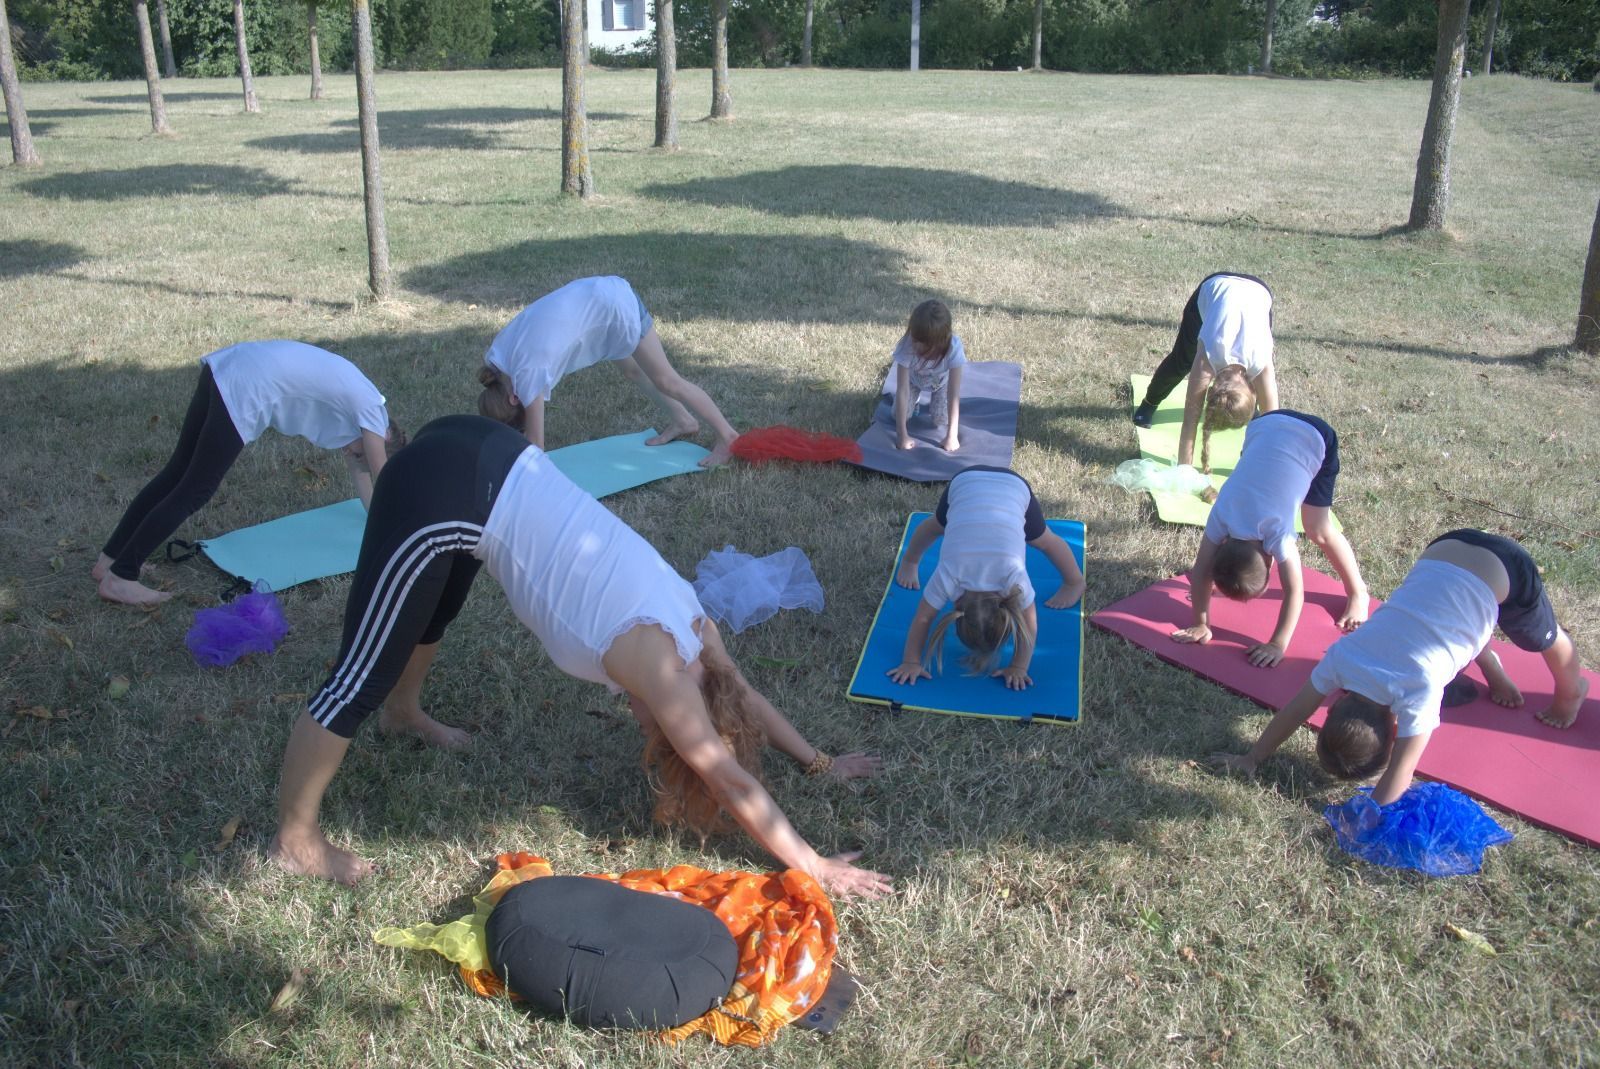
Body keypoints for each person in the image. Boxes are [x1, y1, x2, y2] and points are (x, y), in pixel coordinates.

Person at [268, 415, 890, 898]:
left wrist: (818, 762)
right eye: (661, 734)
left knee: (436, 606)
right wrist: (812, 863)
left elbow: (747, 697)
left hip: (490, 454)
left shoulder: (700, 633)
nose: (644, 728)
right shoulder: (667, 673)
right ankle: (295, 839)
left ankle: (402, 713)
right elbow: (727, 777)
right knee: (359, 675)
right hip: (441, 488)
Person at [1211, 531, 1590, 805]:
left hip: (1506, 567)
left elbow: (1401, 772)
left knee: (1537, 637)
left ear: (1394, 728)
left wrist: (1370, 818)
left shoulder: (1418, 691)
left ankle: (1572, 689)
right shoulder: (1345, 657)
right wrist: (1250, 757)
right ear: (1337, 704)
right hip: (1443, 549)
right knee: (1445, 619)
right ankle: (1488, 660)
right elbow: (1296, 710)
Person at [93, 340, 400, 607]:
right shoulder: (373, 413)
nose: (351, 454)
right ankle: (122, 577)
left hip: (230, 367)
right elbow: (384, 478)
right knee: (195, 489)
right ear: (384, 438)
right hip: (249, 387)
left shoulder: (361, 411)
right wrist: (402, 527)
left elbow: (363, 480)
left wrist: (378, 521)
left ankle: (110, 560)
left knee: (177, 474)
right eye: (360, 452)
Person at [1172, 410, 1369, 666]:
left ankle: (1358, 592)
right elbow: (1201, 572)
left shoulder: (1277, 533)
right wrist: (1200, 622)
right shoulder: (1221, 513)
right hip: (1264, 426)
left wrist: (1278, 644)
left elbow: (1295, 591)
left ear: (1270, 560)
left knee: (1318, 529)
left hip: (1314, 437)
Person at [476, 275, 738, 467]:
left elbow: (537, 445)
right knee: (633, 371)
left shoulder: (527, 373)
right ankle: (684, 421)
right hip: (596, 297)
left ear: (513, 398)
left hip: (615, 306)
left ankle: (728, 437)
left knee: (667, 380)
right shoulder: (497, 360)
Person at [886, 466, 1085, 691]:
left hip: (994, 485)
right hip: (970, 484)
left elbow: (1029, 624)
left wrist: (1019, 667)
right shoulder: (954, 575)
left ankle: (1074, 581)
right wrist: (910, 662)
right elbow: (922, 619)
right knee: (937, 526)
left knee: (1043, 540)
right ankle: (909, 561)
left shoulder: (1010, 576)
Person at [1131, 273, 1280, 468]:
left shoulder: (1261, 363)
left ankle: (1250, 430)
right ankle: (1149, 403)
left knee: (1266, 422)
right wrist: (1185, 470)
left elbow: (1274, 428)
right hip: (1215, 287)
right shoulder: (1206, 360)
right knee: (1181, 362)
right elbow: (1189, 421)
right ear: (1210, 388)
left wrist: (1253, 464)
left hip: (1258, 292)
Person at [891, 299, 966, 453]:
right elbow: (902, 389)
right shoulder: (908, 344)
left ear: (940, 343)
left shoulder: (953, 348)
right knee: (897, 415)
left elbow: (953, 393)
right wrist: (902, 435)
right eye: (915, 340)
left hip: (941, 384)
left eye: (924, 344)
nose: (917, 346)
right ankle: (916, 401)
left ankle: (936, 407)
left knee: (940, 419)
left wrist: (952, 435)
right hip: (914, 382)